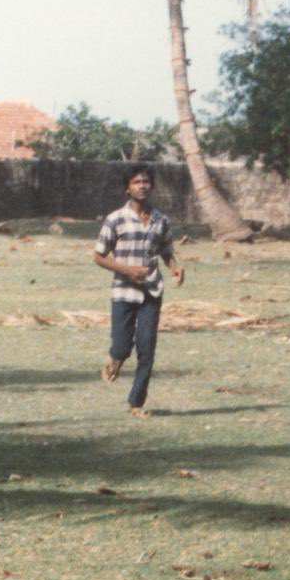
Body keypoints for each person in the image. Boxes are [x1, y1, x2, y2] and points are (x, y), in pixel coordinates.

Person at [93, 164, 184, 418]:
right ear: (127, 188)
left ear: (151, 186)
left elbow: (166, 250)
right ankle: (116, 358)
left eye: (145, 182)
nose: (142, 186)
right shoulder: (115, 219)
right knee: (122, 346)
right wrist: (127, 270)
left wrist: (175, 268)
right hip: (124, 292)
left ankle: (137, 403)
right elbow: (99, 256)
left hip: (151, 292)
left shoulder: (161, 220)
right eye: (136, 182)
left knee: (147, 349)